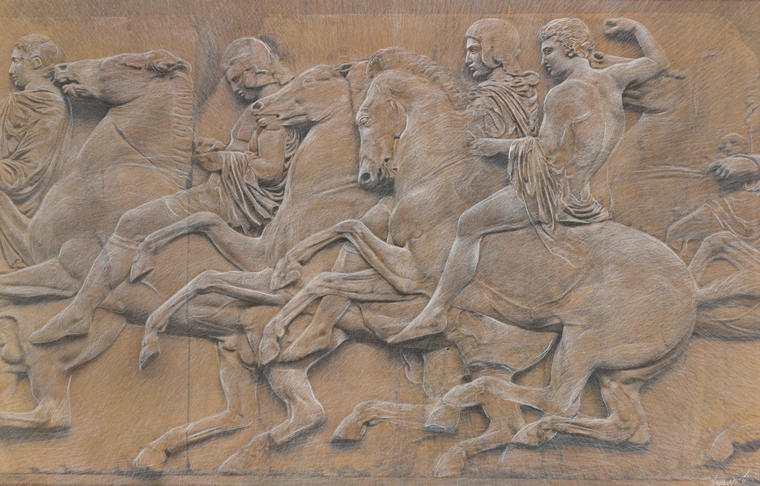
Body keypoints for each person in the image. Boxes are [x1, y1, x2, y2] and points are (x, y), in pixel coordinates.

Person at [266, 19, 543, 362]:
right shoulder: (483, 92)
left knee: (462, 227)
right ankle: (322, 324)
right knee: (372, 219)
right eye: (468, 50)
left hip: (478, 189)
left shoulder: (507, 94)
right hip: (447, 183)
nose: (468, 59)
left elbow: (487, 144)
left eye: (475, 50)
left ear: (494, 51)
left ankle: (437, 308)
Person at [389, 17, 669, 343]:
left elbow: (544, 149)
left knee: (468, 224)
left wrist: (496, 146)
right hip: (583, 193)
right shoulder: (614, 78)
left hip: (552, 194)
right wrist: (634, 28)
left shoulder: (563, 95)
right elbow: (658, 62)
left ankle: (435, 312)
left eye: (549, 51)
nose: (544, 60)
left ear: (571, 48)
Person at [30, 37, 300, 344]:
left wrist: (224, 160)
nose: (233, 86)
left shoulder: (271, 110)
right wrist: (220, 150)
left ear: (252, 70)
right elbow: (255, 154)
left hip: (226, 202)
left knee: (131, 222)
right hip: (222, 192)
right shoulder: (267, 107)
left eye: (235, 76)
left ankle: (80, 313)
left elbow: (271, 169)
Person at [0, 35, 69, 268]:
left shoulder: (50, 108)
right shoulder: (13, 102)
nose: (10, 71)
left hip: (20, 209)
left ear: (37, 62)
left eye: (17, 61)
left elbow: (26, 174)